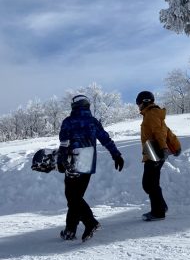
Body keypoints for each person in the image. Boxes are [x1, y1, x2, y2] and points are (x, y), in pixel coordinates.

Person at [57, 94, 124, 241]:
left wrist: (60, 161)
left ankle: (90, 222)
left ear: (74, 106)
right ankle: (70, 230)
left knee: (72, 196)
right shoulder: (93, 122)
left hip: (73, 161)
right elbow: (106, 139)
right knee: (76, 197)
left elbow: (63, 144)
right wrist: (116, 155)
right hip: (88, 161)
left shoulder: (68, 121)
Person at [135, 90, 181, 221]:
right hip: (153, 152)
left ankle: (158, 212)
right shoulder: (153, 114)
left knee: (149, 184)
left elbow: (159, 133)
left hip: (155, 153)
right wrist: (175, 145)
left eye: (138, 104)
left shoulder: (151, 114)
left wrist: (163, 149)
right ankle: (160, 207)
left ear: (144, 102)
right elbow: (167, 131)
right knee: (150, 183)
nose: (138, 107)